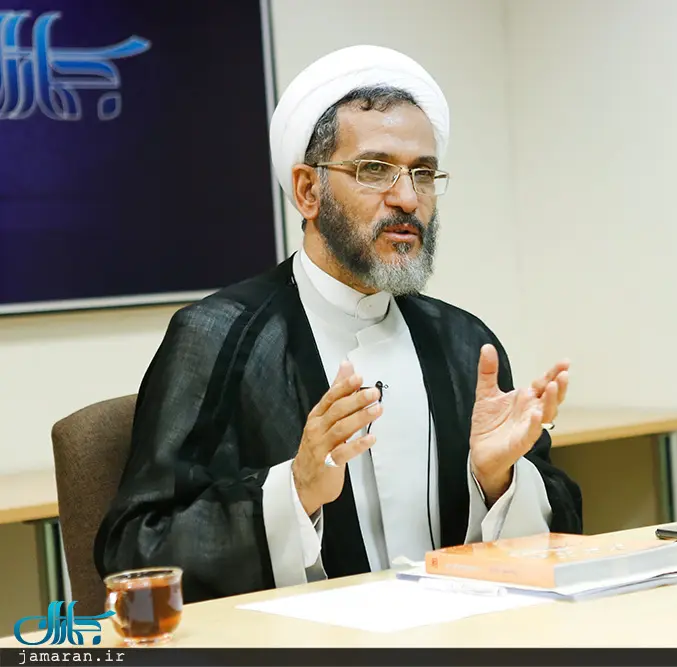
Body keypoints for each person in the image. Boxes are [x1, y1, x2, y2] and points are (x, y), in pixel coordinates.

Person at [93, 45, 583, 604]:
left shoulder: (465, 344)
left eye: (423, 174)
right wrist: (294, 492)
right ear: (308, 191)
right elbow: (135, 550)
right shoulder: (220, 337)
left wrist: (498, 482)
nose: (407, 198)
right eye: (375, 170)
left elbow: (563, 533)